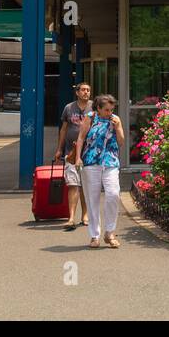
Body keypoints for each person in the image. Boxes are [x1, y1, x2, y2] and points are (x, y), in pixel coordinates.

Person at [74, 94, 125, 249]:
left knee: (113, 193)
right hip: (91, 162)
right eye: (107, 110)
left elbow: (121, 142)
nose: (110, 112)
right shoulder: (91, 117)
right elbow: (81, 138)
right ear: (98, 108)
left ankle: (109, 232)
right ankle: (94, 235)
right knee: (92, 199)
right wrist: (78, 158)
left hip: (110, 161)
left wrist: (117, 127)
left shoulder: (115, 119)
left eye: (112, 109)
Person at [54, 82, 93, 231]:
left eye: (88, 90)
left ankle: (85, 215)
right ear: (77, 92)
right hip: (70, 153)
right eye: (83, 90)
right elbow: (64, 129)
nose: (86, 92)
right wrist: (59, 148)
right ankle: (71, 217)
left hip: (89, 153)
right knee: (73, 184)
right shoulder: (69, 108)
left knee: (85, 186)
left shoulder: (93, 107)